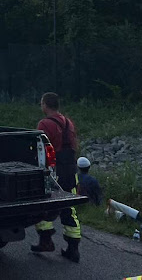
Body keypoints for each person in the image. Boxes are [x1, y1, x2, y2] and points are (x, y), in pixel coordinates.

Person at [31, 92, 82, 263]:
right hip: (70, 169)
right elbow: (74, 145)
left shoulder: (44, 124)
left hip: (54, 171)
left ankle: (45, 241)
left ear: (45, 104)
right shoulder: (68, 122)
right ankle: (73, 249)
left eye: (41, 103)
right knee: (69, 207)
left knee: (44, 204)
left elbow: (39, 148)